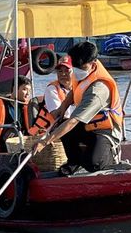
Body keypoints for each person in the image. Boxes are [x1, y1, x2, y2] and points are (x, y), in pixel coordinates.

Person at [33, 41, 123, 175]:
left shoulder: (98, 90)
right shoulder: (81, 72)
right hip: (87, 125)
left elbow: (74, 120)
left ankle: (110, 157)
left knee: (93, 164)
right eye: (75, 66)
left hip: (105, 130)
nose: (77, 70)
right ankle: (74, 161)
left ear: (93, 64)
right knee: (62, 124)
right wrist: (62, 108)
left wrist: (45, 141)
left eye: (82, 66)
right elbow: (74, 91)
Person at [0, 75, 43, 149]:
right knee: (14, 130)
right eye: (24, 89)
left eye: (29, 91)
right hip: (1, 144)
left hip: (22, 143)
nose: (28, 94)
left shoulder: (28, 107)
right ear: (14, 88)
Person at [44, 55, 75, 119]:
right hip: (59, 126)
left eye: (67, 71)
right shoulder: (51, 89)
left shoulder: (79, 87)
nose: (63, 74)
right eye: (60, 71)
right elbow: (56, 115)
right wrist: (68, 99)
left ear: (74, 71)